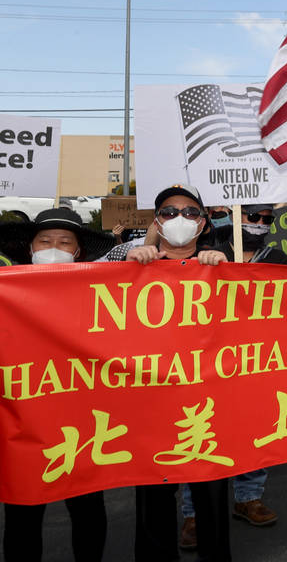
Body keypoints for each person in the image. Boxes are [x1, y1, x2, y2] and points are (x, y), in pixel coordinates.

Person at [109, 184, 232, 562]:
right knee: (153, 498)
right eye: (169, 212)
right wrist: (129, 262)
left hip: (209, 404)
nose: (180, 219)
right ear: (156, 222)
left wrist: (227, 269)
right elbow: (80, 295)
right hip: (152, 403)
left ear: (205, 223)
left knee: (211, 497)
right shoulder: (131, 264)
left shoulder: (222, 266)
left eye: (191, 212)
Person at [1, 208, 115, 562]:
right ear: (30, 248)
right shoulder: (7, 288)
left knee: (87, 507)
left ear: (78, 251)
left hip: (82, 422)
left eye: (64, 242)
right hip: (24, 421)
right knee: (22, 510)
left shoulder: (102, 291)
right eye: (45, 241)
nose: (54, 247)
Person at [177, 204, 286, 547]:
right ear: (236, 216)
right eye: (252, 217)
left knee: (253, 431)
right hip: (207, 363)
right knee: (199, 434)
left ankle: (248, 497)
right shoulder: (209, 253)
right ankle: (193, 513)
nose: (259, 224)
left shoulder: (279, 258)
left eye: (266, 219)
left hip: (258, 363)